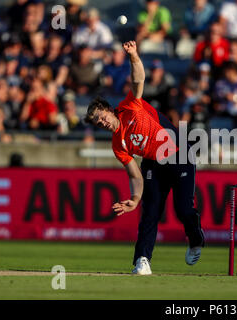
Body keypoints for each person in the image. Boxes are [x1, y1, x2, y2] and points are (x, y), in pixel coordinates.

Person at [84, 40, 205, 275]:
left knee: (183, 209)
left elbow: (138, 80)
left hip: (179, 153)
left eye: (102, 117)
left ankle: (196, 238)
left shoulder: (130, 106)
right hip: (152, 163)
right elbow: (134, 174)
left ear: (109, 110)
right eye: (98, 123)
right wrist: (135, 197)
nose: (103, 122)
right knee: (149, 212)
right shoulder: (117, 144)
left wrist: (133, 56)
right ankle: (142, 260)